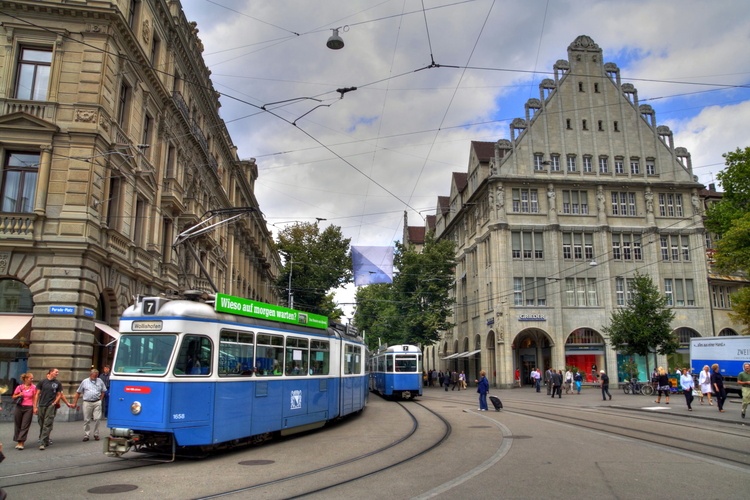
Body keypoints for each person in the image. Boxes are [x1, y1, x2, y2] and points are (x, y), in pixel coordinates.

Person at [34, 368, 73, 450]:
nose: (57, 373)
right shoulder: (42, 382)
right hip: (41, 404)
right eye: (56, 372)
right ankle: (45, 439)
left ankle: (42, 443)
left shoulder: (57, 383)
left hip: (51, 405)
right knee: (41, 422)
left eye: (58, 372)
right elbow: (37, 394)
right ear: (51, 372)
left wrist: (54, 402)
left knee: (47, 423)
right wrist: (35, 406)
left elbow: (60, 394)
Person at [72, 369, 107, 441]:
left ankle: (96, 434)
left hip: (97, 401)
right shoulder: (85, 381)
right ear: (91, 375)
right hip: (87, 402)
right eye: (95, 375)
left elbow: (103, 390)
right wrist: (74, 403)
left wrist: (101, 399)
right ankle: (86, 434)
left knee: (97, 418)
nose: (96, 377)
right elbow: (78, 392)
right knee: (86, 419)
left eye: (97, 375)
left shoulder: (100, 381)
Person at [11, 373, 36, 450]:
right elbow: (13, 396)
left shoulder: (34, 387)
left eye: (32, 378)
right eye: (30, 378)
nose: (32, 380)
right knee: (18, 424)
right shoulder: (19, 387)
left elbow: (35, 398)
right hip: (19, 407)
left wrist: (35, 407)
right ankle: (18, 440)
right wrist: (19, 395)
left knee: (25, 425)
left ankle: (21, 442)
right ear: (25, 379)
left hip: (28, 407)